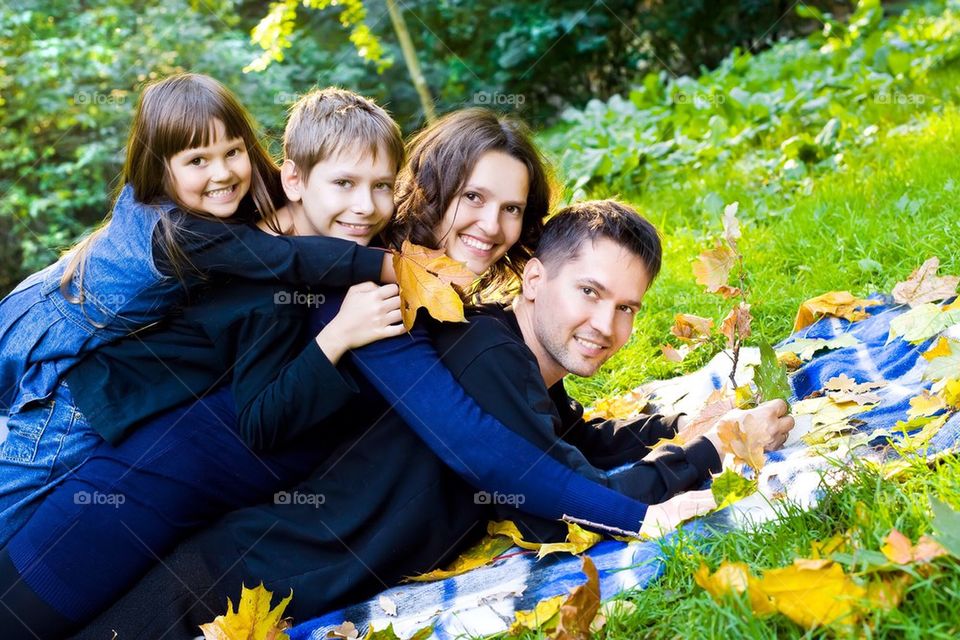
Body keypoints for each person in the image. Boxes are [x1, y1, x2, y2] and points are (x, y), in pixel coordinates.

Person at [69, 201, 794, 639]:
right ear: (535, 278)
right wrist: (713, 450)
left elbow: (572, 441)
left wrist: (679, 422)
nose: (606, 323)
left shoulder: (519, 366)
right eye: (590, 292)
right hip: (220, 588)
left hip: (270, 591)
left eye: (627, 308)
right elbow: (561, 500)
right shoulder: (487, 356)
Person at [0, 74, 396, 541]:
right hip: (50, 325)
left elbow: (291, 191)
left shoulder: (224, 199)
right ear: (162, 170)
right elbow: (280, 257)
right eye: (197, 160)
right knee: (15, 506)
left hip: (66, 317)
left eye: (232, 151)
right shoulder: (176, 232)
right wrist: (390, 267)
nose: (223, 172)